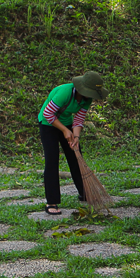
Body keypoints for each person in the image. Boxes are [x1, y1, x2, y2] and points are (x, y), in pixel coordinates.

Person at [37, 71, 109, 215]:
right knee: (52, 160)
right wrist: (64, 130)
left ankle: (84, 192)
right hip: (48, 124)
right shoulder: (64, 92)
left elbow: (79, 118)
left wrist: (75, 136)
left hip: (67, 124)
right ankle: (52, 201)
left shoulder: (87, 99)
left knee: (76, 157)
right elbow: (47, 113)